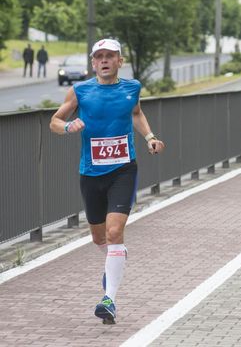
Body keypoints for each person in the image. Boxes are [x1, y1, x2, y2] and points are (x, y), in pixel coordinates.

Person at [50, 38, 165, 324]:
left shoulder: (132, 88)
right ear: (93, 63)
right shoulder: (80, 91)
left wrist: (150, 137)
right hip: (91, 173)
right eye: (99, 56)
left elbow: (136, 113)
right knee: (99, 238)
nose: (104, 60)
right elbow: (55, 121)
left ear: (119, 61)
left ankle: (109, 300)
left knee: (114, 232)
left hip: (123, 170)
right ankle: (117, 256)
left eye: (110, 56)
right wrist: (68, 126)